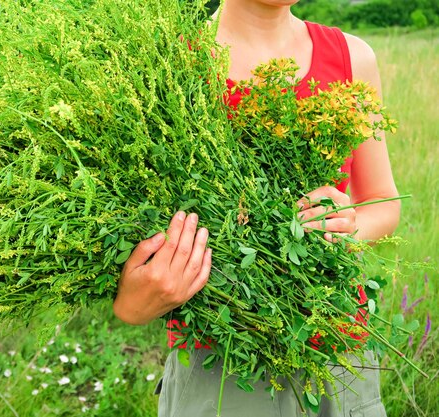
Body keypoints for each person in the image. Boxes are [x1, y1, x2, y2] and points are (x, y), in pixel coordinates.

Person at [113, 0, 401, 416]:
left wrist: (346, 225)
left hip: (338, 351)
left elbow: (383, 203)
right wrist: (131, 304)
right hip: (225, 358)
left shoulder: (353, 57)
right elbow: (128, 223)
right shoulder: (168, 59)